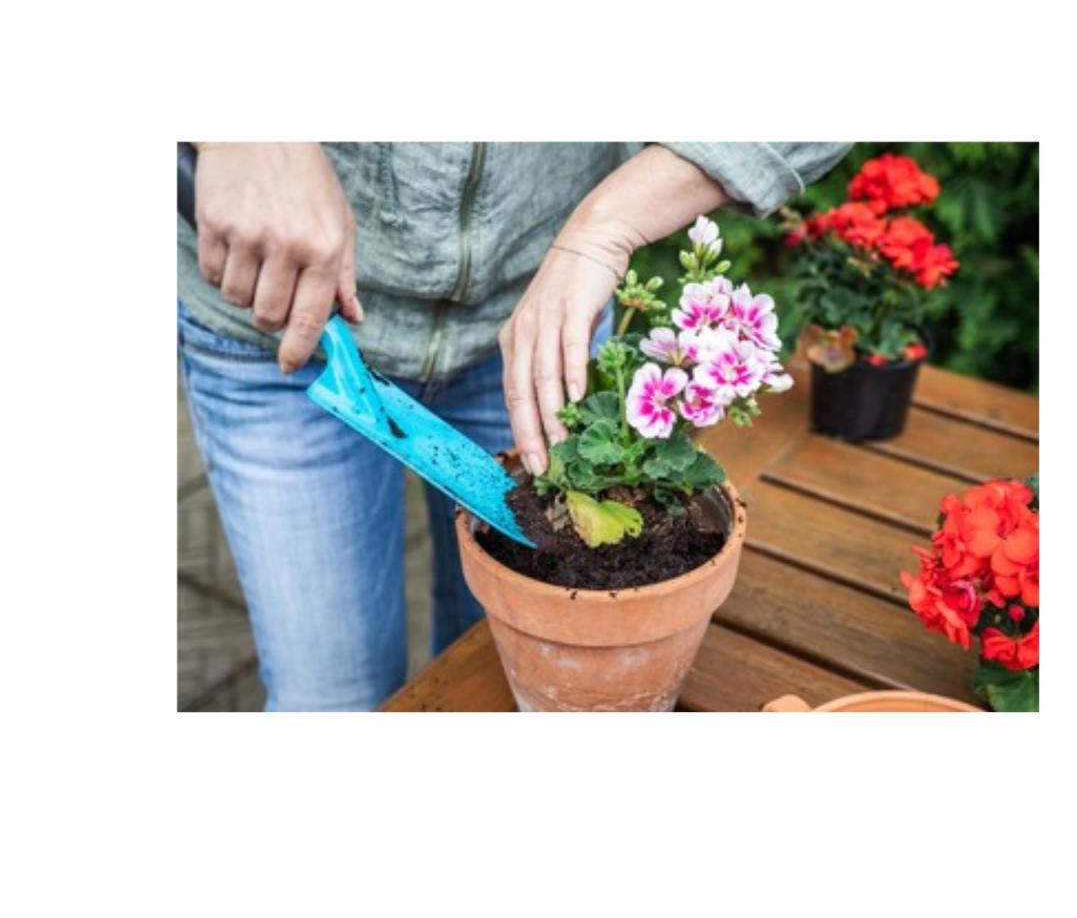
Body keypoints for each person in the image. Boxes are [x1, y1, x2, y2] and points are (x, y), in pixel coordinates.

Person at [178, 141, 851, 711]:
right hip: (282, 302)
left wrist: (606, 225)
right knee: (332, 699)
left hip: (537, 317)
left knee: (493, 678)